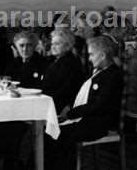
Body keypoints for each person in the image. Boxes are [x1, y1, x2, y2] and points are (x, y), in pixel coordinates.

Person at [47, 36, 123, 170]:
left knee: (59, 134)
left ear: (103, 55)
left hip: (101, 123)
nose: (89, 58)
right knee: (51, 131)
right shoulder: (99, 72)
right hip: (90, 118)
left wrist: (70, 114)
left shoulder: (113, 76)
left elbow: (98, 105)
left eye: (92, 54)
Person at [41, 29, 85, 113]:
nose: (52, 47)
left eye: (57, 44)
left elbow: (67, 91)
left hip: (58, 107)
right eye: (52, 44)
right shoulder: (54, 60)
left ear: (68, 46)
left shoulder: (71, 63)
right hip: (48, 103)